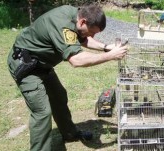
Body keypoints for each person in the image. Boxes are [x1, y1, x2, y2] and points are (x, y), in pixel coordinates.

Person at [7, 3, 127, 151]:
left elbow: (83, 39)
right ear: (83, 21)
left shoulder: (76, 17)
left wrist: (105, 47)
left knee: (59, 96)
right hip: (26, 66)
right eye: (92, 32)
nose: (93, 36)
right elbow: (76, 60)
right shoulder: (63, 24)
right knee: (42, 112)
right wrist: (110, 56)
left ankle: (70, 134)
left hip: (42, 65)